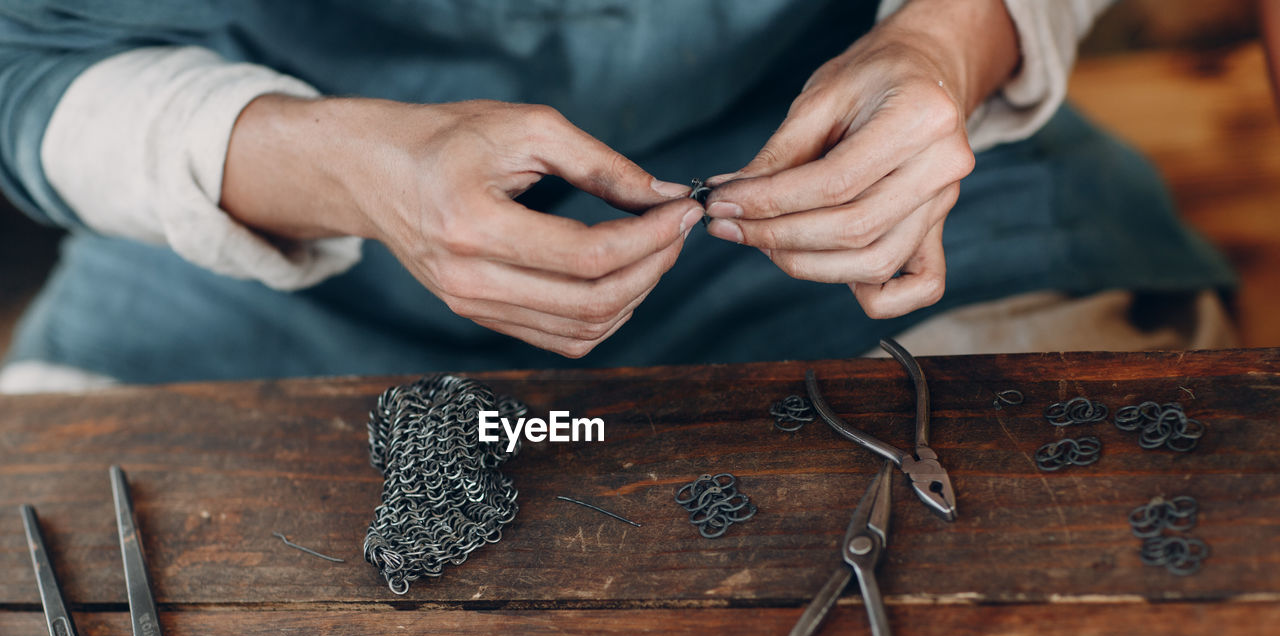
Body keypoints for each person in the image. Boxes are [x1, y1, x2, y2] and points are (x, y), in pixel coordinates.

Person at [0, 0, 1235, 391]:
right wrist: (346, 170)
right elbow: (28, 66)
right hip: (261, 221)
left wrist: (942, 52)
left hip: (863, 193)